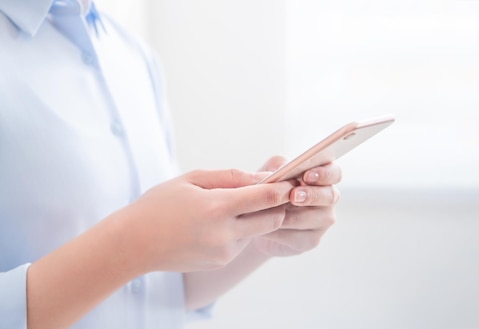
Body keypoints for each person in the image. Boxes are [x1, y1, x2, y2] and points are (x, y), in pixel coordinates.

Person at [0, 0, 341, 328]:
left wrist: (263, 227)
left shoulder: (131, 55)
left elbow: (161, 287)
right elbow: (138, 249)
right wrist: (133, 242)